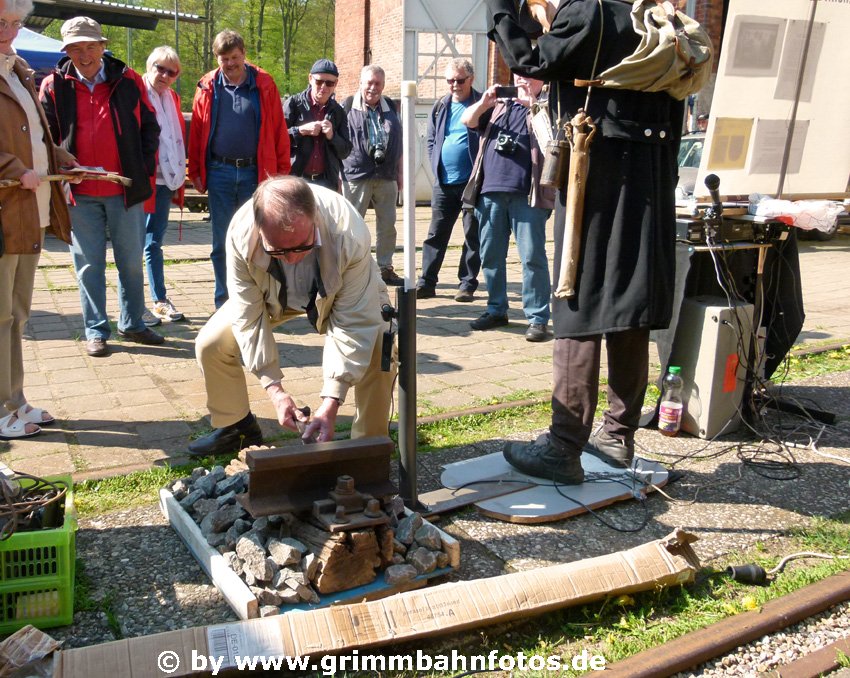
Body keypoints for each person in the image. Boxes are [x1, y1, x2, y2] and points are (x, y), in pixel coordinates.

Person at [486, 0, 684, 482]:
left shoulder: (593, 11)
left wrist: (500, 8)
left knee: (575, 298)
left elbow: (530, 60)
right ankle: (617, 435)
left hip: (598, 174)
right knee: (628, 304)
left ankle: (564, 445)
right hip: (650, 177)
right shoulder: (660, 19)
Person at [189, 176, 395, 456]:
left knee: (378, 346)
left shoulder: (348, 232)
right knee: (211, 343)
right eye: (278, 250)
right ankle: (236, 426)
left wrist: (331, 401)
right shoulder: (241, 233)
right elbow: (247, 316)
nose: (291, 258)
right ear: (259, 229)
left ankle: (367, 445)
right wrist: (275, 390)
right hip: (273, 296)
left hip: (340, 290)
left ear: (315, 220)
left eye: (301, 247)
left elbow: (355, 323)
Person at [40, 16, 163, 358]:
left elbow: (150, 129)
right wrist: (63, 166)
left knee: (130, 262)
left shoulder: (129, 80)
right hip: (79, 195)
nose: (84, 54)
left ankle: (133, 323)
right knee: (89, 265)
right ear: (66, 50)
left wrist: (142, 169)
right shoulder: (53, 85)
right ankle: (95, 330)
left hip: (125, 191)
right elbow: (45, 137)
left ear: (103, 47)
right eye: (76, 48)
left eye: (91, 46)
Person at [0, 0, 78, 438]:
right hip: (6, 210)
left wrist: (60, 158)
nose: (9, 32)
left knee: (16, 314)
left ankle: (15, 400)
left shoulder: (18, 69)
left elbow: (31, 134)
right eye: (1, 23)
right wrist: (13, 171)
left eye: (16, 23)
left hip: (28, 211)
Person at [188, 29, 290, 309]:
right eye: (224, 59)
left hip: (255, 174)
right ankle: (224, 302)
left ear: (244, 54)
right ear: (217, 59)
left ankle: (256, 299)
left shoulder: (264, 84)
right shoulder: (207, 86)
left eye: (234, 57)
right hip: (219, 173)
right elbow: (197, 131)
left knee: (257, 242)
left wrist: (281, 174)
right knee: (221, 243)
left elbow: (279, 130)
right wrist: (194, 170)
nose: (230, 63)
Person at [461, 75, 553, 342]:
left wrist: (532, 104)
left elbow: (551, 140)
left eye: (528, 74)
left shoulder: (547, 103)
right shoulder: (498, 105)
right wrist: (484, 102)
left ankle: (537, 318)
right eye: (517, 74)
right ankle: (496, 309)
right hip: (490, 192)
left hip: (528, 195)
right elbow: (467, 120)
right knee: (490, 256)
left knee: (532, 257)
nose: (521, 78)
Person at [416, 57, 482, 303]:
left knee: (472, 236)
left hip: (472, 184)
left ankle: (467, 284)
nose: (455, 85)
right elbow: (432, 140)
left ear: (471, 79)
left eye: (460, 80)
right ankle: (427, 281)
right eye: (450, 80)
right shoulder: (440, 105)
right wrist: (436, 165)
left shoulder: (482, 103)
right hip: (443, 183)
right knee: (436, 234)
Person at [342, 65, 403, 287]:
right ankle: (352, 269)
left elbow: (400, 143)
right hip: (356, 174)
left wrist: (401, 174)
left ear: (383, 85)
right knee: (352, 223)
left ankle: (385, 268)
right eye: (369, 82)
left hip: (386, 174)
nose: (373, 87)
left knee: (388, 224)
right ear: (361, 83)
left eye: (377, 83)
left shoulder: (391, 108)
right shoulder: (348, 106)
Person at [140, 46, 186, 326]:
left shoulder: (173, 99)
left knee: (154, 242)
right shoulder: (136, 93)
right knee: (134, 244)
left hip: (165, 181)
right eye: (160, 68)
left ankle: (159, 300)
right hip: (140, 181)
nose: (165, 75)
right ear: (149, 66)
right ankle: (133, 304)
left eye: (171, 72)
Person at [284, 58, 351, 192]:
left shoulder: (338, 111)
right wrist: (300, 131)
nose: (324, 87)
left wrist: (332, 136)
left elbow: (345, 152)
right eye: (319, 81)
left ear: (336, 84)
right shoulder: (293, 104)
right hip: (297, 181)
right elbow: (275, 140)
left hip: (326, 182)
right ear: (310, 79)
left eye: (329, 83)